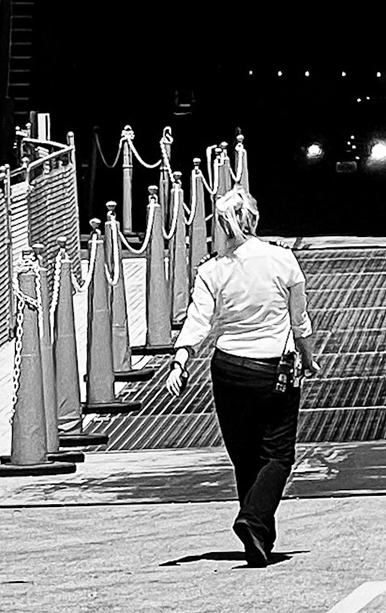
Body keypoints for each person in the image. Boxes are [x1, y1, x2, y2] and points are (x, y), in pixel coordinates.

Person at [165, 187, 322, 565]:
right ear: (254, 220)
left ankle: (258, 538)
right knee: (278, 455)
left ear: (222, 225)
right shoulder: (283, 261)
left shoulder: (212, 269)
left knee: (244, 456)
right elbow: (299, 322)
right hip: (273, 368)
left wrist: (180, 361)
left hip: (229, 368)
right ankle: (253, 520)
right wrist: (309, 359)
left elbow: (198, 320)